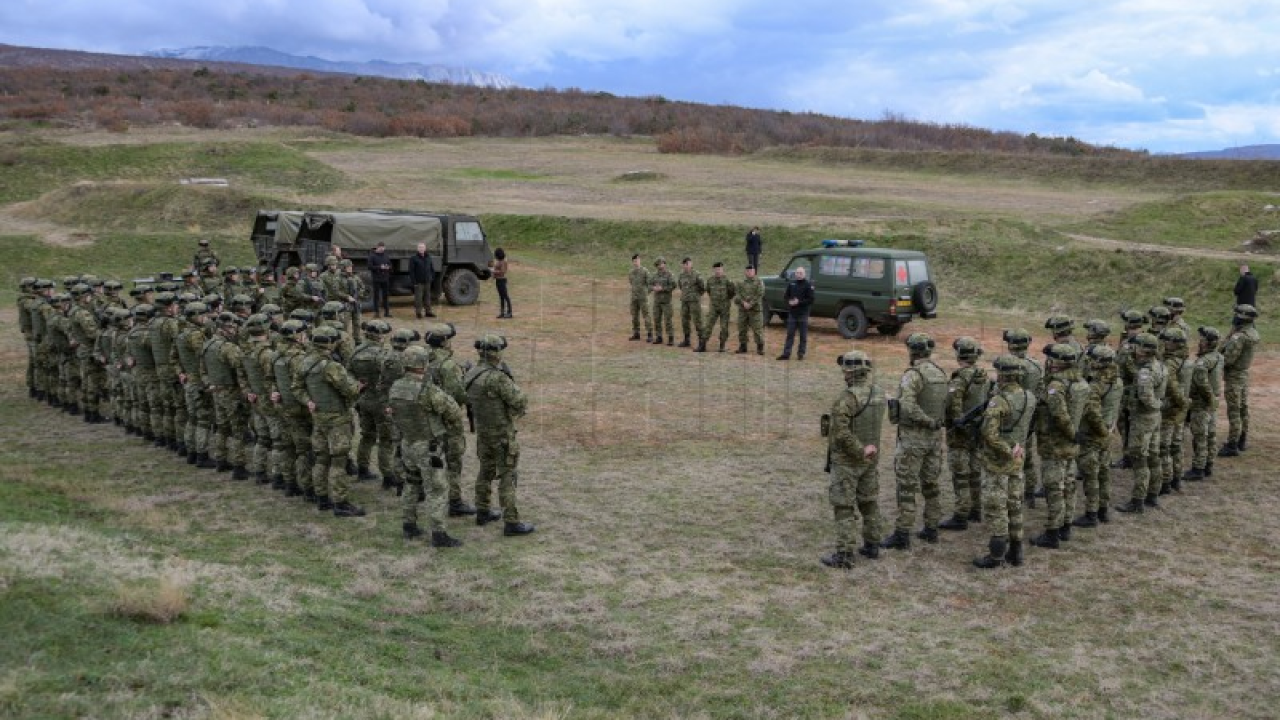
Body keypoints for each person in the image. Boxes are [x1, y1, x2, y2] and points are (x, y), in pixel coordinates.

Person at [387, 345, 465, 547]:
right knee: (436, 489)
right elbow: (453, 412)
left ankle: (409, 525)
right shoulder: (427, 390)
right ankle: (439, 534)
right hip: (428, 447)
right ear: (423, 365)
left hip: (407, 443)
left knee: (411, 484)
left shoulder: (396, 386)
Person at [881, 333, 948, 550]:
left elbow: (907, 405)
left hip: (913, 439)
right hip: (934, 440)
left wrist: (926, 421)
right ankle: (931, 529)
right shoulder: (939, 373)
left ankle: (902, 534)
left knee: (907, 487)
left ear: (912, 351)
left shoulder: (913, 374)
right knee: (931, 485)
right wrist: (936, 423)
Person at [820, 350, 886, 568]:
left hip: (849, 461)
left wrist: (860, 450)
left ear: (849, 371)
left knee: (844, 507)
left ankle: (845, 554)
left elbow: (841, 433)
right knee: (869, 503)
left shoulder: (846, 399)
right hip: (871, 459)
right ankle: (872, 545)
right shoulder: (878, 393)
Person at [465, 334, 535, 536]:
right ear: (496, 352)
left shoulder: (471, 374)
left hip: (483, 432)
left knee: (485, 471)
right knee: (508, 475)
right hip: (502, 434)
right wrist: (511, 380)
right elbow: (520, 401)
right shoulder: (498, 378)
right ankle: (511, 522)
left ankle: (482, 510)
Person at [972, 355, 1037, 569]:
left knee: (996, 507)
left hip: (998, 463)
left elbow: (989, 434)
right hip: (1018, 460)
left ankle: (996, 556)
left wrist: (1007, 449)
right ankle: (1016, 552)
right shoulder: (1029, 396)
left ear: (1003, 375)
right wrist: (1017, 446)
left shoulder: (999, 400)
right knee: (1014, 505)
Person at [300, 325, 365, 517]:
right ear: (329, 343)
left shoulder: (305, 363)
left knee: (321, 459)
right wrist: (359, 386)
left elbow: (297, 387)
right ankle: (340, 503)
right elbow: (349, 390)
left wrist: (308, 401)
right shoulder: (332, 367)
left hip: (318, 417)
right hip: (337, 419)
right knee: (338, 461)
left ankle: (321, 498)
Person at [1029, 344, 1089, 550]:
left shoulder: (1057, 385)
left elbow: (1059, 415)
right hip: (1070, 444)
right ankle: (1066, 526)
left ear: (1058, 362)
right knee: (1069, 485)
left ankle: (1052, 532)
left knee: (1054, 488)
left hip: (1055, 443)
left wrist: (1071, 433)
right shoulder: (1081, 382)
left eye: (1052, 359)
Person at [940, 337, 989, 532]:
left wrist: (953, 423)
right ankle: (975, 509)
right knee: (975, 472)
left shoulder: (960, 378)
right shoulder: (984, 376)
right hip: (977, 432)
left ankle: (961, 515)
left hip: (960, 434)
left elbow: (953, 405)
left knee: (960, 474)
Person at [1116, 333, 1166, 514]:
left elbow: (1146, 397)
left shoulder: (1145, 372)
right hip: (1155, 417)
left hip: (1143, 418)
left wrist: (1154, 404)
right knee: (1154, 456)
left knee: (1140, 458)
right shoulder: (1159, 365)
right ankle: (1153, 494)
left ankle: (1137, 500)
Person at [1073, 345, 1122, 527]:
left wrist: (1100, 431)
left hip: (1094, 434)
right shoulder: (1117, 381)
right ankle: (1103, 509)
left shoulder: (1095, 385)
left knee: (1091, 475)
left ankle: (1091, 514)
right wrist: (1110, 428)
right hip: (1107, 431)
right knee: (1104, 472)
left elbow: (1092, 412)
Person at [1218, 304, 1260, 456]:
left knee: (1234, 410)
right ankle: (1242, 439)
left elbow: (1228, 359)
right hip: (1243, 374)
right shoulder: (1252, 333)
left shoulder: (1239, 337)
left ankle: (1232, 444)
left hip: (1234, 376)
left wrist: (1218, 353)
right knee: (1243, 408)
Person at [1183, 326, 1223, 481]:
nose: (1199, 341)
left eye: (1202, 339)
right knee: (1211, 435)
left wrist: (1209, 399)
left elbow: (1203, 384)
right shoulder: (1218, 357)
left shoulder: (1202, 363)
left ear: (1206, 342)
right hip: (1212, 402)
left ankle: (1198, 468)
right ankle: (1208, 465)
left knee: (1200, 436)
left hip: (1202, 403)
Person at [1157, 328, 1192, 495]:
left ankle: (1165, 481)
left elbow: (1171, 385)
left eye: (1168, 340)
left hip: (1170, 407)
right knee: (1177, 445)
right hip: (1181, 408)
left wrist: (1180, 402)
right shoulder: (1187, 361)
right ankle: (1177, 478)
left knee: (1164, 446)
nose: (1165, 343)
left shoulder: (1171, 363)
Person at [777, 266, 814, 361]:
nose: (799, 275)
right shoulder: (792, 284)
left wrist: (799, 302)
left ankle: (801, 353)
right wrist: (789, 302)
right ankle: (786, 354)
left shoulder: (808, 285)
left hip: (803, 314)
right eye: (797, 273)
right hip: (792, 314)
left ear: (804, 274)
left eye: (801, 273)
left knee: (803, 335)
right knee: (790, 334)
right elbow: (786, 296)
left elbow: (811, 300)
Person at [699, 262, 735, 353]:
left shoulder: (728, 281)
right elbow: (709, 291)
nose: (718, 271)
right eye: (716, 269)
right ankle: (702, 345)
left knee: (724, 327)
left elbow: (732, 293)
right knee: (708, 325)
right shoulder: (710, 280)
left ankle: (722, 346)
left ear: (722, 270)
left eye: (720, 269)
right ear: (713, 270)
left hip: (724, 308)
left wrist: (725, 301)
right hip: (714, 307)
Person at [734, 265, 765, 355]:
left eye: (751, 271)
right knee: (742, 329)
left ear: (754, 272)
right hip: (743, 310)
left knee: (757, 329)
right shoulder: (740, 283)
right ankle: (743, 346)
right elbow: (737, 294)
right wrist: (743, 302)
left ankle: (760, 347)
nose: (749, 272)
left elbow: (760, 294)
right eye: (747, 271)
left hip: (755, 310)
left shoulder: (759, 282)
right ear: (745, 272)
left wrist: (750, 304)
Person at [676, 257, 705, 348]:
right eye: (685, 264)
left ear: (691, 264)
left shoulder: (696, 274)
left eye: (688, 264)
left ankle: (701, 342)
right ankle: (686, 340)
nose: (687, 266)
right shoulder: (681, 275)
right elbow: (681, 286)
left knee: (697, 321)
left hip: (694, 301)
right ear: (683, 265)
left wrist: (696, 296)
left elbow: (702, 287)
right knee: (685, 320)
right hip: (684, 300)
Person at [650, 258, 676, 346]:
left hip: (666, 301)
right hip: (657, 301)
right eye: (658, 265)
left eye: (661, 264)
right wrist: (653, 288)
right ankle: (659, 337)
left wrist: (663, 288)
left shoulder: (669, 274)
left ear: (664, 264)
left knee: (668, 320)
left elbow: (673, 285)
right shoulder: (654, 275)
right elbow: (649, 284)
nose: (660, 266)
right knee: (657, 319)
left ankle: (670, 338)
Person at [627, 254, 653, 342]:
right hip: (634, 298)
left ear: (640, 261)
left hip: (643, 298)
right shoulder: (631, 272)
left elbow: (650, 283)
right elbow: (631, 283)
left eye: (637, 260)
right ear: (632, 262)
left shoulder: (645, 271)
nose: (636, 262)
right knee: (634, 316)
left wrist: (646, 293)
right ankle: (636, 333)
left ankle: (650, 334)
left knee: (646, 315)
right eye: (634, 261)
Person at [409, 242, 436, 319]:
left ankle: (428, 312)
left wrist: (432, 277)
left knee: (427, 297)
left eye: (423, 247)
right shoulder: (413, 258)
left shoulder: (428, 257)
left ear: (425, 248)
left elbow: (431, 269)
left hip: (427, 281)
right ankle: (418, 313)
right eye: (420, 247)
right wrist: (414, 282)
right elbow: (411, 271)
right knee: (418, 298)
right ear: (417, 249)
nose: (421, 249)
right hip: (418, 282)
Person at [369, 242, 392, 318]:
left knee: (386, 296)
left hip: (385, 278)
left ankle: (387, 312)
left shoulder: (386, 256)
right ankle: (376, 312)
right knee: (376, 296)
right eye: (381, 248)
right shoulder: (372, 256)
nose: (382, 249)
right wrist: (379, 267)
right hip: (376, 279)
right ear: (377, 247)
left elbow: (390, 265)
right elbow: (370, 267)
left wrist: (388, 267)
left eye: (383, 248)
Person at [492, 248, 512, 319]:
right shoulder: (498, 261)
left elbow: (503, 272)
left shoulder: (503, 262)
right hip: (498, 280)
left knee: (506, 296)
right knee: (501, 297)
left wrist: (494, 272)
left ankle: (509, 312)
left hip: (502, 280)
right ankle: (502, 312)